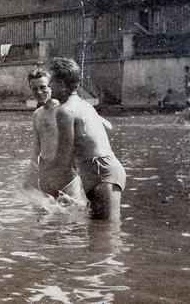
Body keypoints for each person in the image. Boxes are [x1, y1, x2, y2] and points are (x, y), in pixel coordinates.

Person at [50, 57, 126, 220]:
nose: (49, 86)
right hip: (105, 172)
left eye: (52, 81)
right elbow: (109, 126)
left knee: (108, 234)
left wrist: (46, 185)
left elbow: (64, 157)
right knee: (98, 232)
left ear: (62, 85)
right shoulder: (85, 105)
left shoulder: (64, 111)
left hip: (102, 174)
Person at [27, 68, 84, 203]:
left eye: (43, 87)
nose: (39, 92)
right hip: (46, 172)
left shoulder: (65, 109)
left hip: (67, 172)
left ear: (51, 86)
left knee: (71, 215)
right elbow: (36, 146)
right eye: (34, 89)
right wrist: (32, 170)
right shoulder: (37, 114)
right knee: (47, 217)